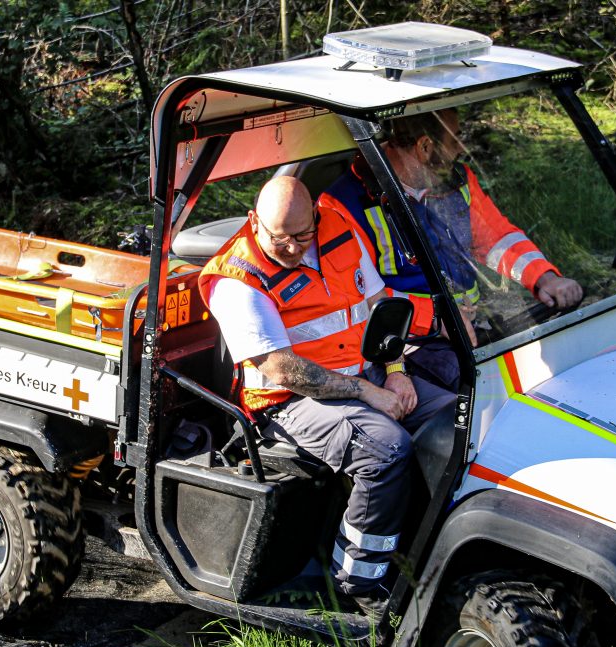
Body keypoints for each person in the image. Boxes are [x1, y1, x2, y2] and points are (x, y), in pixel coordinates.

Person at [199, 176, 454, 620]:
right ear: (253, 220)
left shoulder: (338, 226)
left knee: (455, 419)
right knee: (386, 448)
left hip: (367, 371)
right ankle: (360, 577)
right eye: (280, 239)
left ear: (315, 216)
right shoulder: (237, 276)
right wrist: (369, 391)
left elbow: (381, 307)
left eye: (303, 235)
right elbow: (281, 369)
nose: (294, 248)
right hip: (287, 401)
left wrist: (396, 372)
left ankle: (425, 544)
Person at [319, 109, 583, 389]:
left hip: (469, 328)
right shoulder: (342, 205)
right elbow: (359, 296)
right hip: (407, 346)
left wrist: (545, 277)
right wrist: (435, 319)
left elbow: (496, 239)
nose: (461, 148)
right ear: (424, 146)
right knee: (494, 388)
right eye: (455, 139)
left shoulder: (456, 179)